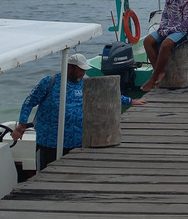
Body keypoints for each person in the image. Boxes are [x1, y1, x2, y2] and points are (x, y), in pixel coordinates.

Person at [12, 53, 146, 170]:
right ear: (70, 67)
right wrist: (22, 124)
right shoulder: (50, 82)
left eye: (84, 70)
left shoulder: (85, 84)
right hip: (49, 141)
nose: (83, 73)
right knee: (45, 172)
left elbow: (106, 94)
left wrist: (130, 101)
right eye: (80, 70)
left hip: (76, 141)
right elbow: (29, 102)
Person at [140, 0, 188, 91]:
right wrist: (162, 29)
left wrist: (167, 31)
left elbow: (186, 25)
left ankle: (153, 77)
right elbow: (165, 15)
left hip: (185, 31)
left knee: (165, 45)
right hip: (169, 27)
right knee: (147, 41)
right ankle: (159, 72)